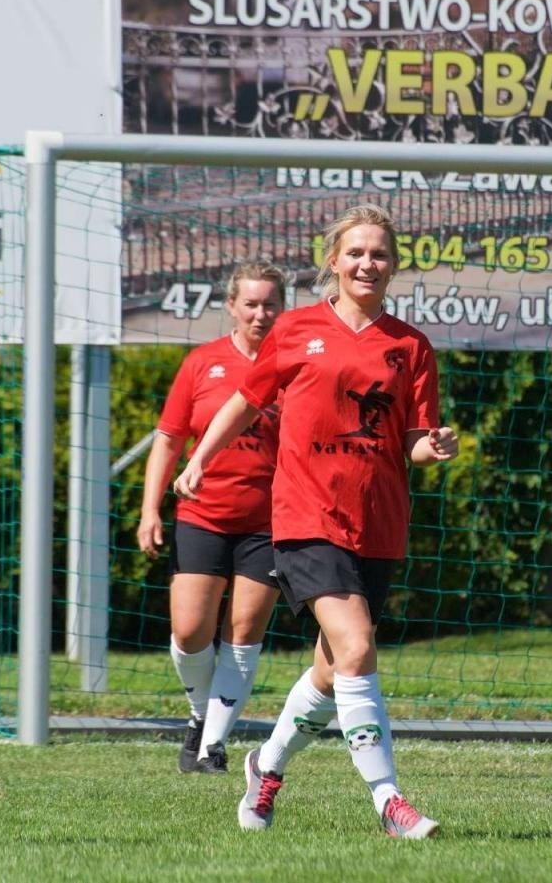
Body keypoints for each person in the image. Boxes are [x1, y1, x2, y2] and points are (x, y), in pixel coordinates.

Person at [173, 202, 457, 840]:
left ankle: (265, 767)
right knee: (358, 647)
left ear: (394, 265)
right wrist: (200, 460)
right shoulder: (297, 329)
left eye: (379, 253)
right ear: (333, 260)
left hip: (379, 523)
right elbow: (247, 403)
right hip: (304, 519)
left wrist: (432, 447)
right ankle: (390, 803)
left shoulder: (411, 346)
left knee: (333, 670)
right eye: (354, 251)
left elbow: (411, 439)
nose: (367, 263)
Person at [139, 260, 289, 774]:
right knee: (189, 632)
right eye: (251, 303)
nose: (261, 313)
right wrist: (149, 509)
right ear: (231, 306)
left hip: (269, 522)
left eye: (271, 303)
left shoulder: (294, 367)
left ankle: (212, 749)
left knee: (244, 630)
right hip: (202, 515)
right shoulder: (203, 363)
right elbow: (168, 439)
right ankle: (200, 716)